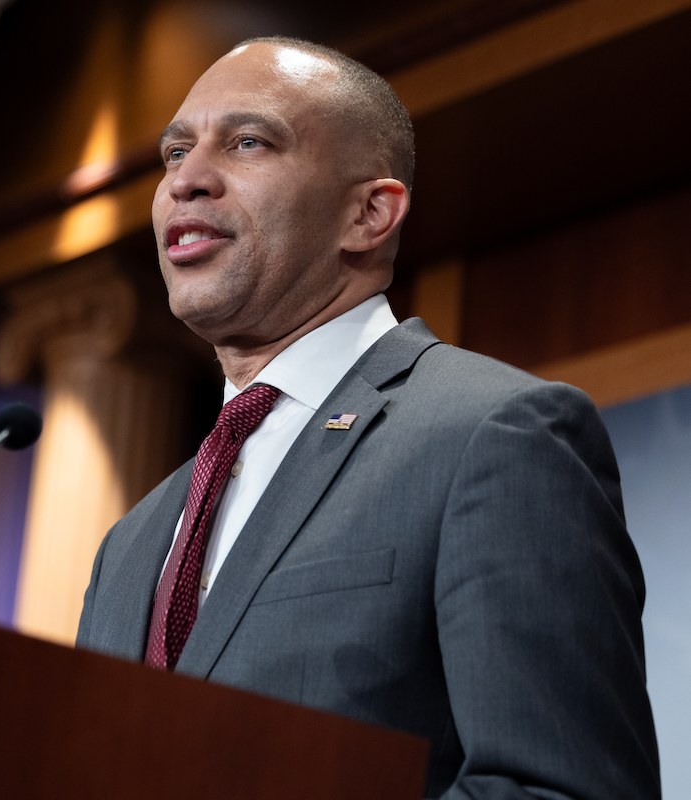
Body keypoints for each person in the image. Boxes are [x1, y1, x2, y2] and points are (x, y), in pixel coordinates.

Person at [75, 37, 659, 798]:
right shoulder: (130, 543)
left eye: (248, 142)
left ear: (369, 213)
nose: (187, 179)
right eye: (175, 151)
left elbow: (560, 788)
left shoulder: (495, 434)